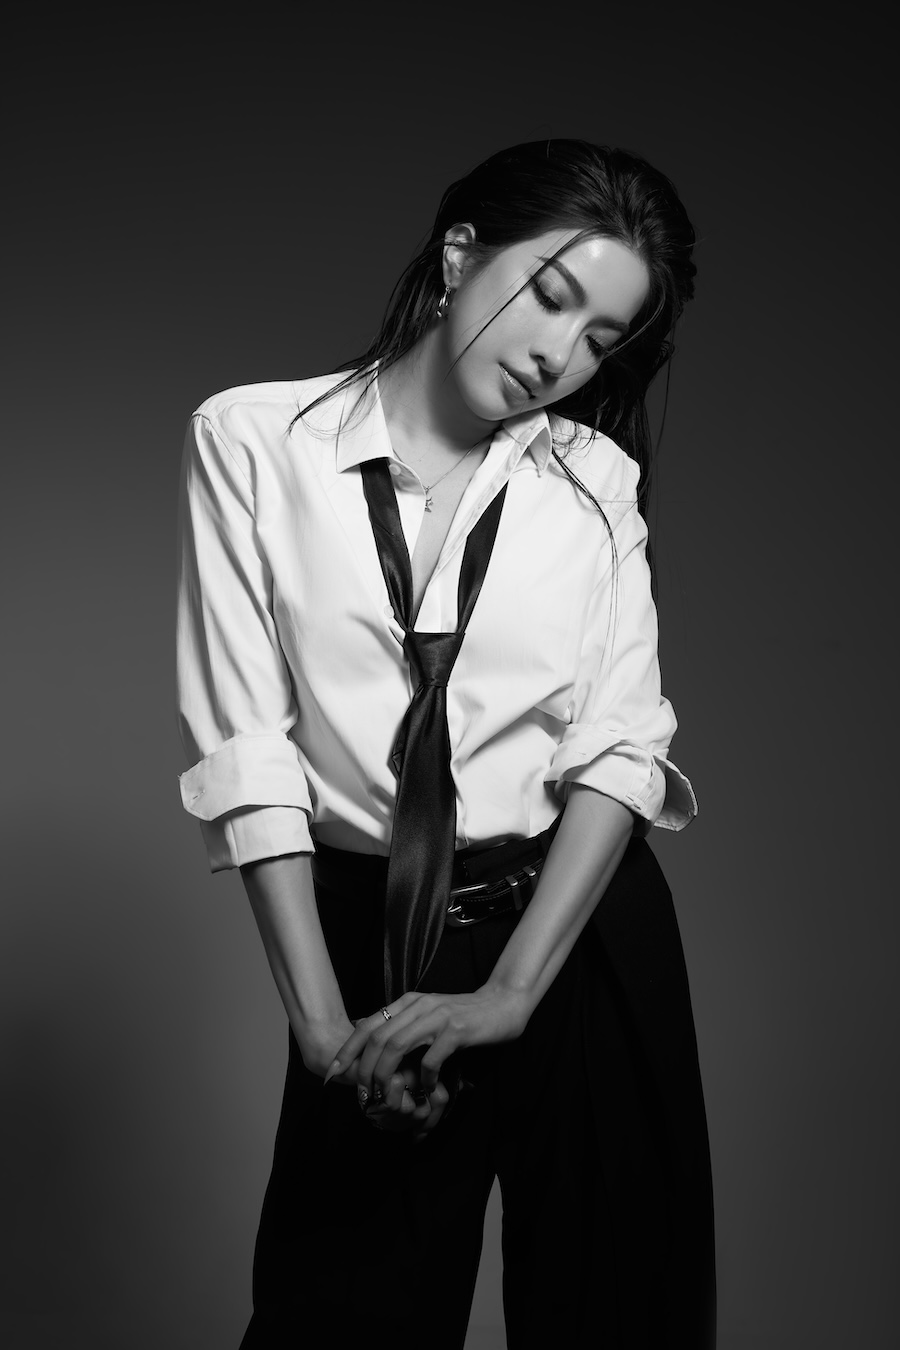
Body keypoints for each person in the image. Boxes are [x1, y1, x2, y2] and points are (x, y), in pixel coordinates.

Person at [175, 139, 716, 1349]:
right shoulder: (256, 442)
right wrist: (324, 1030)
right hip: (377, 933)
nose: (559, 355)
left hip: (576, 937)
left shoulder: (594, 482)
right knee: (342, 1316)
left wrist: (514, 992)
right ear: (461, 254)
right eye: (552, 296)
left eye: (600, 339)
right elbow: (249, 744)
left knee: (617, 1315)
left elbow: (619, 747)